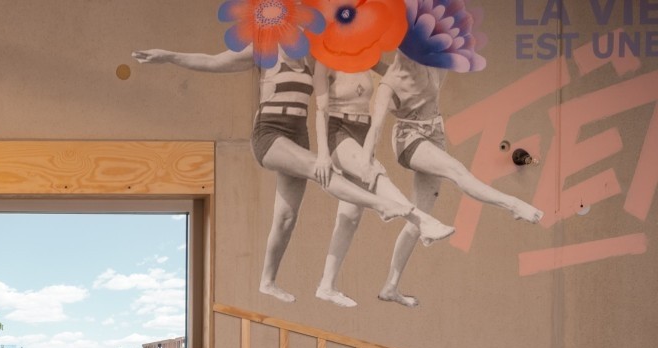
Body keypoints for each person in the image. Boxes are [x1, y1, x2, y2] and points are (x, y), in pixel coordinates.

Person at [134, 46, 453, 304]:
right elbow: (213, 60)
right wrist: (170, 56)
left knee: (286, 217)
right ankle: (388, 207)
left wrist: (418, 66)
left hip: (297, 134)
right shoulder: (263, 50)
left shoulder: (313, 55)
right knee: (320, 169)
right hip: (269, 133)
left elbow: (364, 61)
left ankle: (267, 281)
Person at [364, 52, 543, 306]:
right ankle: (513, 205)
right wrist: (366, 160)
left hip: (435, 133)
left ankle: (390, 286)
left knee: (419, 219)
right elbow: (378, 123)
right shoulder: (392, 79)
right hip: (409, 139)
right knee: (457, 171)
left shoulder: (436, 59)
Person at [314, 66, 456, 307]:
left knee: (350, 216)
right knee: (376, 174)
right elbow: (321, 109)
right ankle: (421, 220)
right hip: (338, 132)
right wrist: (323, 155)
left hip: (363, 131)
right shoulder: (328, 60)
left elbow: (400, 79)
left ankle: (326, 286)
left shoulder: (370, 58)